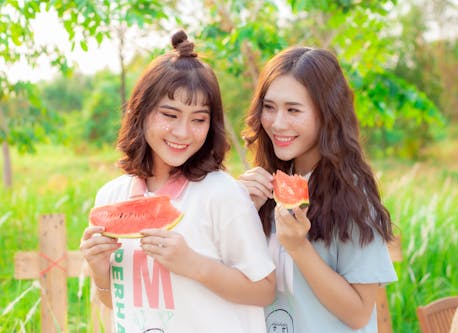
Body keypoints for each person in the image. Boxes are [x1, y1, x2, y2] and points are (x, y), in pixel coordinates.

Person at [80, 30, 275, 333]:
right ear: (141, 113)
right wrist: (99, 269)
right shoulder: (111, 196)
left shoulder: (221, 193)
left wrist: (193, 264)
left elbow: (264, 289)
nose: (183, 132)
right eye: (170, 115)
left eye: (198, 119)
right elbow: (116, 301)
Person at [238, 46, 397, 332]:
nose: (277, 123)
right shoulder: (265, 186)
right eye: (269, 107)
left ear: (326, 114)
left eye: (293, 110)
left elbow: (360, 313)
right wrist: (241, 212)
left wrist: (300, 247)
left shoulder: (353, 195)